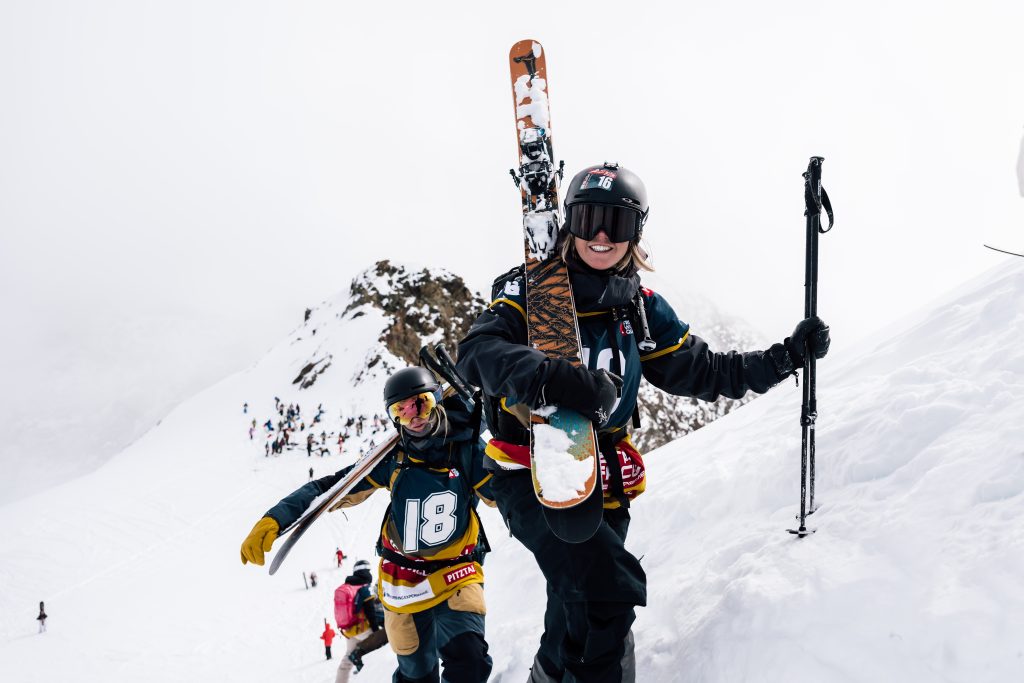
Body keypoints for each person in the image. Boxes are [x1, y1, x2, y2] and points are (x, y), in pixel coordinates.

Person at [457, 162, 831, 683]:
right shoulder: (529, 293)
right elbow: (476, 354)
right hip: (530, 471)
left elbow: (706, 371)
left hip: (606, 477)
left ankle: (549, 673)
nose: (602, 235)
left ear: (637, 233)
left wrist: (786, 357)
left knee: (572, 603)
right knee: (608, 591)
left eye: (617, 222)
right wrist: (555, 379)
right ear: (569, 224)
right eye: (588, 219)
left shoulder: (639, 309)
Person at [241, 367, 496, 683]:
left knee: (470, 662)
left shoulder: (467, 450)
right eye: (401, 411)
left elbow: (505, 493)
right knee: (416, 675)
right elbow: (331, 489)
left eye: (421, 404)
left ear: (437, 401)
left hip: (456, 571)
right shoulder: (393, 459)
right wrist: (276, 518)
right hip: (403, 580)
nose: (413, 417)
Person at [334, 559, 389, 682]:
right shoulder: (364, 588)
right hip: (362, 629)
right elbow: (370, 612)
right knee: (382, 644)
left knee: (347, 662)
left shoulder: (348, 586)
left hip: (349, 630)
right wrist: (376, 631)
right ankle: (366, 671)